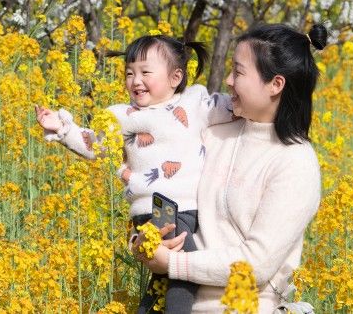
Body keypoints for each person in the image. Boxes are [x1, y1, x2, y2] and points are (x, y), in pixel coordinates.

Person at [132, 24, 326, 314]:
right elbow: (157, 190)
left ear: (276, 84)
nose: (228, 80)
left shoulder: (295, 163)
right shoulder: (212, 132)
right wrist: (142, 242)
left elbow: (255, 264)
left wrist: (172, 263)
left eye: (239, 72)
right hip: (170, 301)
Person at [36, 35, 235, 314]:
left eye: (145, 72)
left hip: (191, 212)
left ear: (175, 77)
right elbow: (96, 146)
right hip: (158, 210)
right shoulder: (123, 116)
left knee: (163, 281)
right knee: (187, 265)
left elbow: (234, 105)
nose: (135, 80)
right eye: (129, 73)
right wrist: (63, 129)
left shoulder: (195, 103)